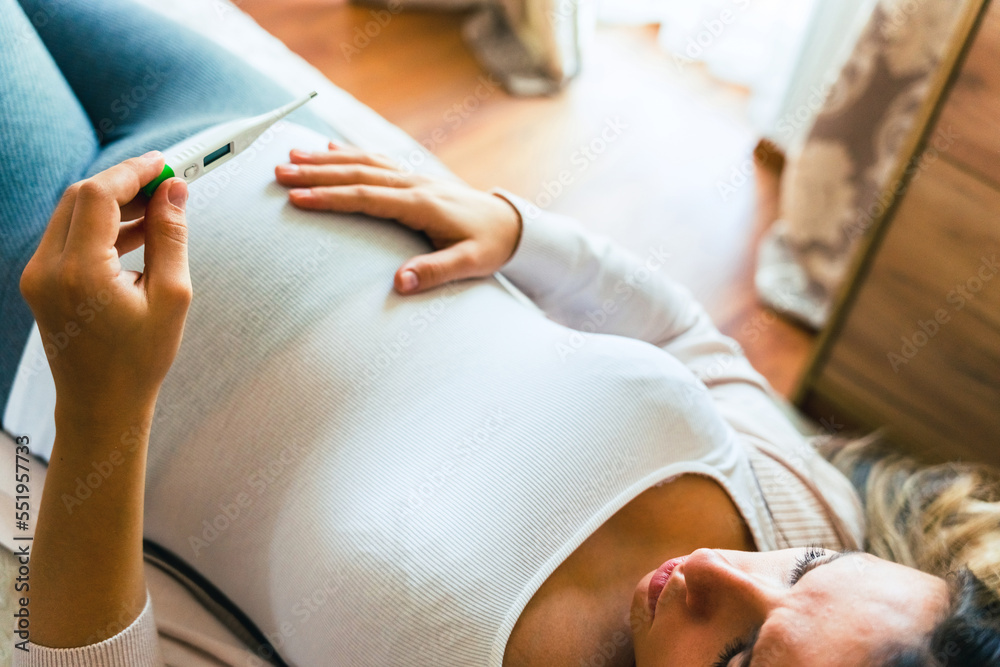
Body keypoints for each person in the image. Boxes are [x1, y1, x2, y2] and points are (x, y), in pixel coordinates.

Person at [3, 0, 999, 666]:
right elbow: (687, 337)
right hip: (248, 132)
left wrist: (101, 409)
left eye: (739, 657)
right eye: (806, 576)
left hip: (43, 288)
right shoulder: (812, 514)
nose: (716, 571)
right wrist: (518, 230)